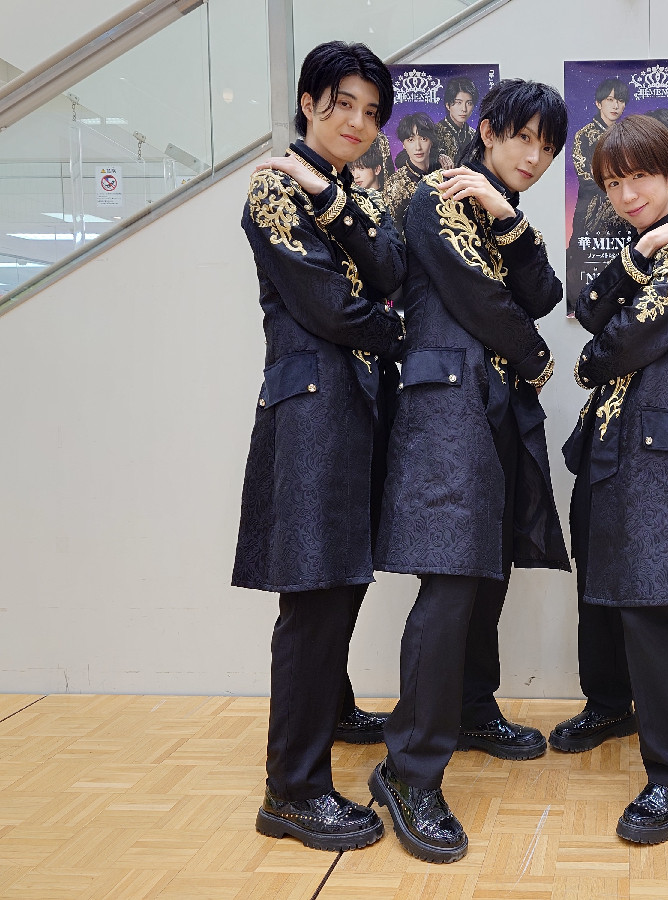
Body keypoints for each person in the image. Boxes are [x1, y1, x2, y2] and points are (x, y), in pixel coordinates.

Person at [368, 78, 570, 864]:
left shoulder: (501, 209)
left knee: (488, 571)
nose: (534, 157)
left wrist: (510, 220)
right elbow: (483, 301)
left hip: (495, 410)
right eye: (523, 138)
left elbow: (543, 290)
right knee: (451, 580)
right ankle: (408, 769)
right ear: (487, 131)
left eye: (547, 147)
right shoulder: (435, 196)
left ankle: (472, 708)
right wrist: (539, 358)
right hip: (446, 406)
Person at [233, 40, 406, 852]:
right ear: (308, 103)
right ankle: (293, 791)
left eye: (371, 112)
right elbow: (334, 309)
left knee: (341, 576)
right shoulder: (274, 188)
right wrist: (401, 332)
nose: (357, 123)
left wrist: (335, 200)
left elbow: (390, 268)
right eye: (342, 105)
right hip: (311, 414)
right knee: (315, 597)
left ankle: (331, 712)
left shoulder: (345, 193)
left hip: (358, 410)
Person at [560, 113, 668, 844]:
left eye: (639, 176)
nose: (627, 194)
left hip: (659, 446)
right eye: (613, 183)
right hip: (609, 440)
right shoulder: (647, 248)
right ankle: (609, 704)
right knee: (601, 584)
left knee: (643, 605)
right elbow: (587, 309)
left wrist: (589, 358)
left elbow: (616, 344)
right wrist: (638, 256)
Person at [567, 77, 634, 298]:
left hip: (625, 209)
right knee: (583, 262)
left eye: (620, 101)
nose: (616, 105)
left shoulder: (628, 136)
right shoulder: (583, 135)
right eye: (610, 100)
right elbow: (585, 175)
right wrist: (616, 188)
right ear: (598, 103)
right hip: (590, 207)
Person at [383, 111, 437, 222]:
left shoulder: (442, 171)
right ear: (403, 144)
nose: (418, 147)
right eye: (411, 140)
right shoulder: (396, 184)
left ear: (431, 141)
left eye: (423, 139)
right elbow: (390, 226)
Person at [433, 75, 479, 168]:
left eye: (469, 103)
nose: (464, 109)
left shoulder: (474, 135)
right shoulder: (434, 132)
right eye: (459, 102)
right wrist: (437, 156)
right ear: (448, 105)